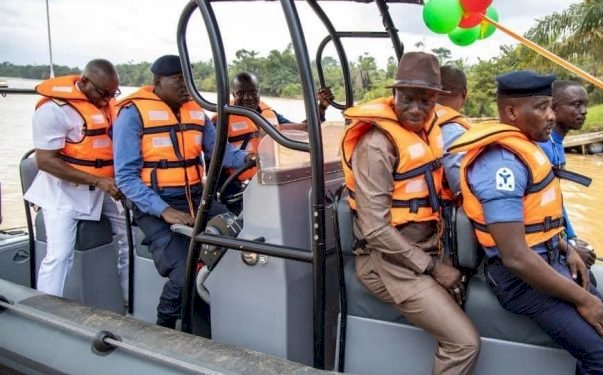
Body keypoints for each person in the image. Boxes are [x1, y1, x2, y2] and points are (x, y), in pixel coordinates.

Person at [449, 70, 603, 375]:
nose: (551, 116)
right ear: (511, 112)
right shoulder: (501, 165)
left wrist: (565, 246)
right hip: (520, 280)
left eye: (551, 107)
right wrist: (583, 300)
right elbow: (515, 256)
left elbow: (535, 222)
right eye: (542, 107)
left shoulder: (527, 149)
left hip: (550, 258)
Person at [340, 52, 480, 375]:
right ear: (394, 95)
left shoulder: (429, 132)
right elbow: (375, 229)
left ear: (437, 101)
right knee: (465, 343)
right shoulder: (377, 146)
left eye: (425, 101)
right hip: (388, 262)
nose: (415, 109)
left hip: (425, 250)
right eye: (407, 99)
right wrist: (434, 268)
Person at [113, 55, 252, 329]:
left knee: (240, 236)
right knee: (183, 269)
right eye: (178, 80)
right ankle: (164, 326)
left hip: (196, 198)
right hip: (154, 204)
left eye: (189, 79)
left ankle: (217, 316)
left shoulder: (196, 113)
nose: (186, 86)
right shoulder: (132, 115)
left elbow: (221, 152)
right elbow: (126, 178)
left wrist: (253, 158)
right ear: (157, 82)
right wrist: (165, 211)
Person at [24, 59, 129, 301]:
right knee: (59, 255)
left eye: (112, 94)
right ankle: (46, 309)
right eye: (102, 93)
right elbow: (46, 161)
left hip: (103, 189)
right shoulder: (53, 110)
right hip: (63, 193)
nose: (106, 100)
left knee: (129, 235)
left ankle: (128, 299)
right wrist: (98, 180)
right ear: (83, 82)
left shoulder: (107, 105)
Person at [213, 71, 334, 214]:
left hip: (270, 183)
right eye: (241, 93)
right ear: (233, 95)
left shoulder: (271, 114)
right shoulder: (222, 121)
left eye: (252, 92)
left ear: (259, 91)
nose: (248, 98)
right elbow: (217, 157)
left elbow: (304, 129)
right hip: (237, 190)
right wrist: (249, 159)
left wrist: (321, 108)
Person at [537, 80, 596, 270]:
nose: (584, 110)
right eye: (576, 104)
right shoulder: (543, 147)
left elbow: (556, 199)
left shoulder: (557, 144)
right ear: (553, 108)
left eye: (585, 104)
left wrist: (572, 236)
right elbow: (539, 206)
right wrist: (568, 245)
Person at [435, 65, 473, 258]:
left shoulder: (419, 119)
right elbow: (462, 187)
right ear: (464, 93)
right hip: (443, 218)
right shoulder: (453, 130)